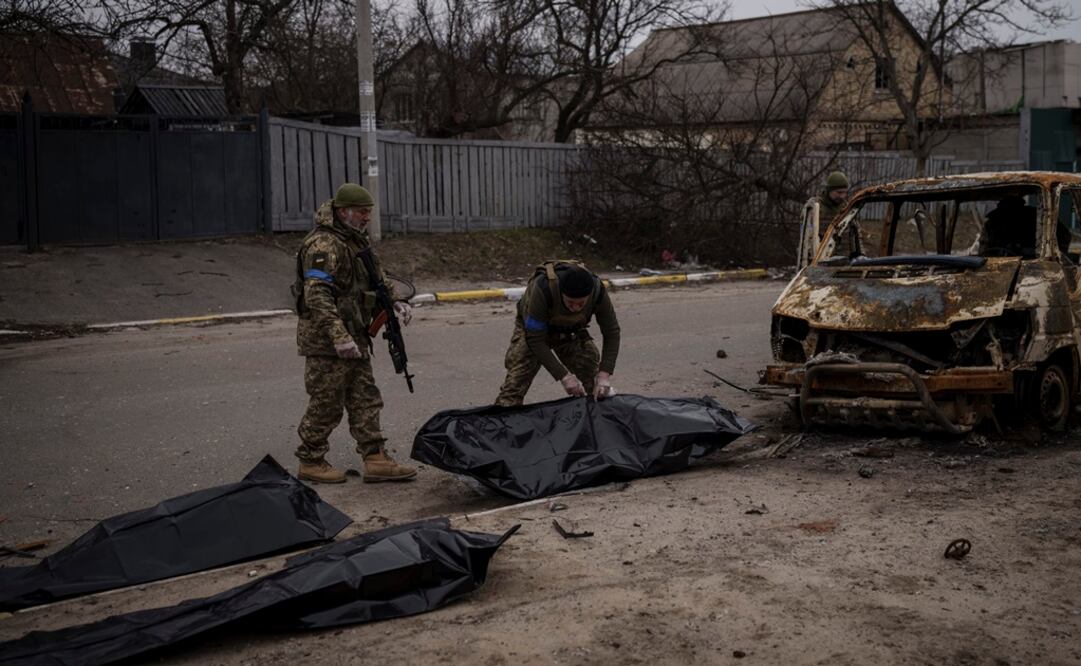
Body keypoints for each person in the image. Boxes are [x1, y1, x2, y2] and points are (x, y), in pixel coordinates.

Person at [293, 183, 416, 484]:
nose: (366, 218)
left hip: (356, 334)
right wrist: (338, 336)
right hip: (327, 341)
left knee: (365, 397)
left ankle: (375, 458)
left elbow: (378, 277)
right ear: (343, 211)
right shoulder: (323, 245)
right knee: (327, 401)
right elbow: (317, 295)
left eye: (368, 213)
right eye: (362, 212)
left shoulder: (355, 240)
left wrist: (396, 300)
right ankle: (310, 460)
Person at [495, 261, 620, 406]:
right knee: (514, 386)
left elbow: (611, 332)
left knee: (597, 384)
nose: (575, 308)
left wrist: (605, 375)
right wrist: (564, 376)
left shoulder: (598, 291)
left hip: (569, 332)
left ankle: (601, 421)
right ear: (562, 293)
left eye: (581, 304)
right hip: (533, 332)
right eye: (570, 302)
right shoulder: (543, 289)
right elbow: (535, 340)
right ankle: (505, 421)